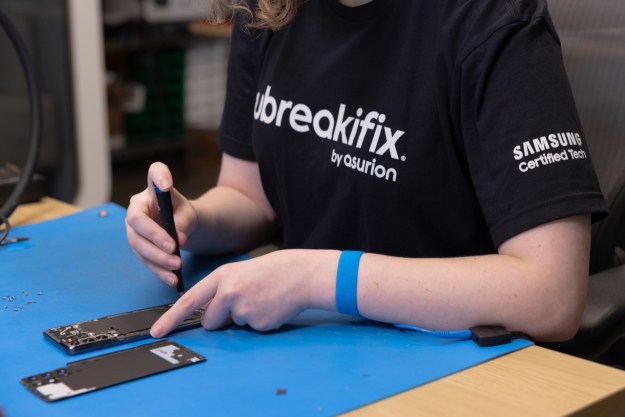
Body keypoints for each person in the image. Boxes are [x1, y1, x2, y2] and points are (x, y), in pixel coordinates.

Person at [126, 0, 608, 342]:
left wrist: (316, 277)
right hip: (316, 343)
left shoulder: (492, 20)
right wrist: (189, 221)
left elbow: (552, 295)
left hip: (453, 356)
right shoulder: (270, 8)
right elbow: (249, 195)